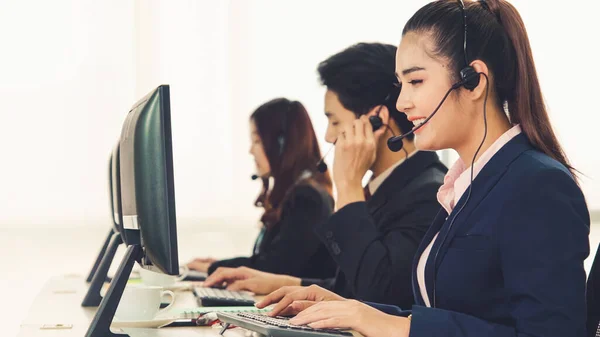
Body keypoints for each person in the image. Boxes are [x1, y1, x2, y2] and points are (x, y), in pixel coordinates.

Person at [250, 1, 590, 336]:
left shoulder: (537, 185)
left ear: (473, 81)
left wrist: (394, 325)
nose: (401, 103)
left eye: (416, 82)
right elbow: (443, 313)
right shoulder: (464, 185)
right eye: (400, 85)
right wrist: (352, 310)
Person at [204, 42, 447, 310]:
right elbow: (349, 286)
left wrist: (348, 185)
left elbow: (379, 294)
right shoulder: (388, 186)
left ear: (376, 120)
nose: (329, 137)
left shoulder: (430, 193)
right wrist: (280, 283)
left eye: (335, 121)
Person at [187, 98, 337, 280]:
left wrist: (214, 267)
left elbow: (275, 267)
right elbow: (269, 260)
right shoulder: (294, 194)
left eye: (257, 141)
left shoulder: (307, 197)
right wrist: (219, 265)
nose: (251, 151)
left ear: (281, 145)